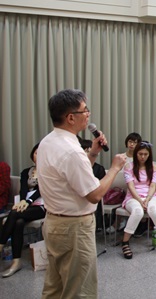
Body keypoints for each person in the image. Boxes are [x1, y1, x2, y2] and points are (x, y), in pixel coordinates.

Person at [38, 89, 127, 298]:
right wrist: (114, 168)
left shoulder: (48, 141)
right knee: (79, 290)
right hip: (74, 228)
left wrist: (93, 153)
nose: (88, 114)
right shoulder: (72, 151)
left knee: (55, 287)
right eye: (85, 110)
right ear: (70, 118)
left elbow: (74, 177)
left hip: (54, 223)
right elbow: (94, 194)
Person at [0, 143, 46, 278]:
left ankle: (1, 244)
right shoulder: (26, 171)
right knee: (18, 221)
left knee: (14, 214)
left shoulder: (48, 172)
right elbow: (23, 190)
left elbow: (40, 190)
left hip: (42, 207)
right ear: (32, 155)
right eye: (36, 153)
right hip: (26, 206)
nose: (38, 156)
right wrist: (22, 201)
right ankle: (16, 262)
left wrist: (28, 202)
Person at [121, 141, 156, 258]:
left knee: (153, 209)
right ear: (136, 154)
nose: (143, 157)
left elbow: (153, 186)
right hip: (133, 197)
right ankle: (125, 242)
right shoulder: (128, 167)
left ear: (149, 155)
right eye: (140, 154)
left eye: (145, 154)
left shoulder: (153, 167)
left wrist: (147, 200)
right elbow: (131, 186)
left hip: (151, 196)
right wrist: (139, 200)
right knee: (138, 211)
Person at [79, 138, 106, 230]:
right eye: (84, 150)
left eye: (88, 151)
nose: (86, 153)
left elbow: (101, 186)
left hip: (94, 194)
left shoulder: (99, 168)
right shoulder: (77, 166)